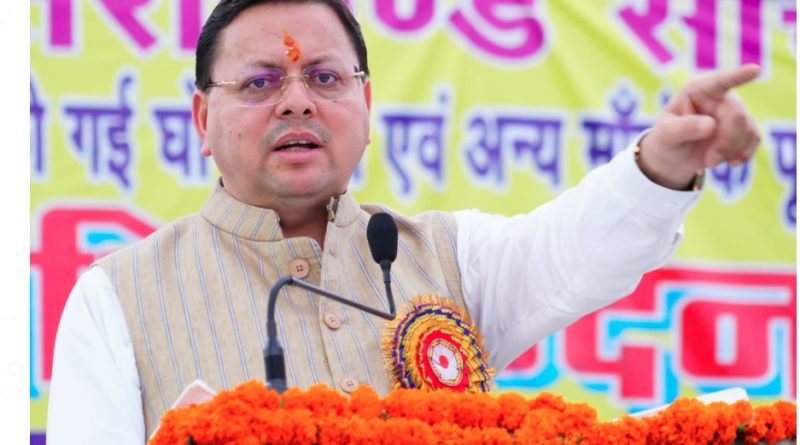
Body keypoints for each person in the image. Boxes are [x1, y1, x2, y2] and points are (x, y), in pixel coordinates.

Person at [46, 0, 761, 443]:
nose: (296, 102)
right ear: (203, 119)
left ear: (365, 105)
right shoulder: (117, 297)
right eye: (260, 82)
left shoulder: (446, 254)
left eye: (325, 77)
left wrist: (660, 164)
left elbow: (572, 252)